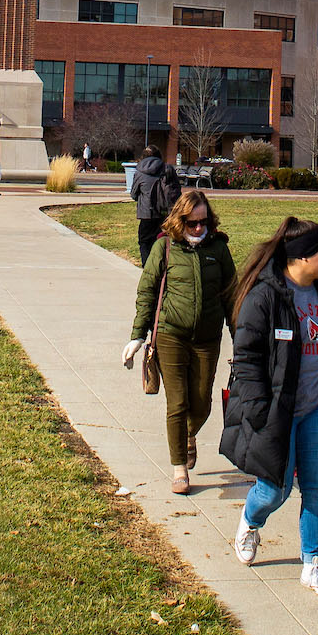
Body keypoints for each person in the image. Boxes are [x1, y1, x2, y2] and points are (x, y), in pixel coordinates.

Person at [219, 217, 318, 597]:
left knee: (317, 487)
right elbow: (246, 358)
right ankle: (250, 519)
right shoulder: (266, 296)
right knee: (275, 491)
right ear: (302, 257)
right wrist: (260, 411)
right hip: (278, 411)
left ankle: (313, 564)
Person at [121, 189, 236, 494]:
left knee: (202, 403)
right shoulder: (165, 248)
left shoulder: (218, 250)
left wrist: (241, 342)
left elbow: (232, 298)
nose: (198, 229)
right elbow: (147, 292)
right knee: (178, 402)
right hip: (171, 334)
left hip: (207, 338)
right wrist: (138, 336)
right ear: (180, 220)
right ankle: (179, 468)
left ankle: (189, 435)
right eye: (191, 223)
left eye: (203, 222)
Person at [129, 146, 181, 262]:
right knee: (164, 242)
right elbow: (177, 191)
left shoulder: (139, 172)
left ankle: (147, 268)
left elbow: (133, 194)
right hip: (165, 213)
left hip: (146, 214)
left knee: (144, 242)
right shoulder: (168, 169)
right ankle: (161, 267)